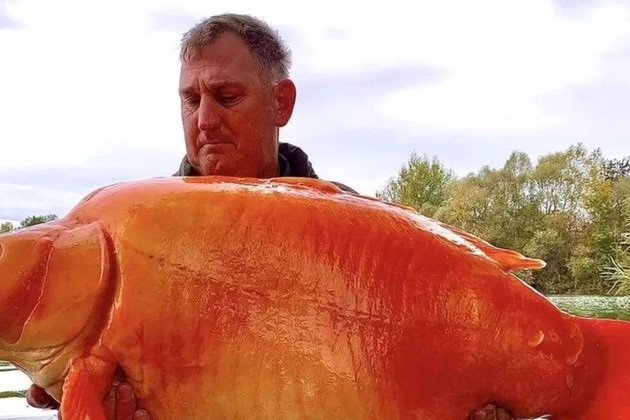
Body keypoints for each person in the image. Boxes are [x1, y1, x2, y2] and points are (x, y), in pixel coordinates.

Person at [26, 13, 513, 420]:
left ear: (281, 103)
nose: (205, 120)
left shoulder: (365, 233)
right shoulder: (127, 235)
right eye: (191, 100)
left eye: (226, 97)